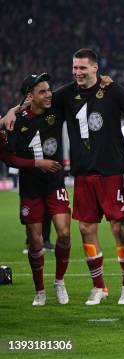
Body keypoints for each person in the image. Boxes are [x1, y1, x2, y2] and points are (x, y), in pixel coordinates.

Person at [5, 49, 124, 305]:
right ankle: (99, 286)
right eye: (75, 68)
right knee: (86, 229)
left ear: (95, 68)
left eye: (82, 68)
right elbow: (32, 102)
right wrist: (12, 111)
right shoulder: (65, 95)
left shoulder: (111, 91)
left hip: (112, 170)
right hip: (83, 173)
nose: (77, 72)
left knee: (119, 228)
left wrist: (116, 83)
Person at [7, 74, 71, 306]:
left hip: (55, 184)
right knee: (35, 242)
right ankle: (40, 290)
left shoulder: (56, 109)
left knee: (64, 234)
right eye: (42, 91)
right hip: (31, 188)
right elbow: (7, 157)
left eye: (49, 90)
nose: (48, 94)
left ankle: (60, 281)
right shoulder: (17, 120)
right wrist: (37, 163)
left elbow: (76, 86)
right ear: (30, 96)